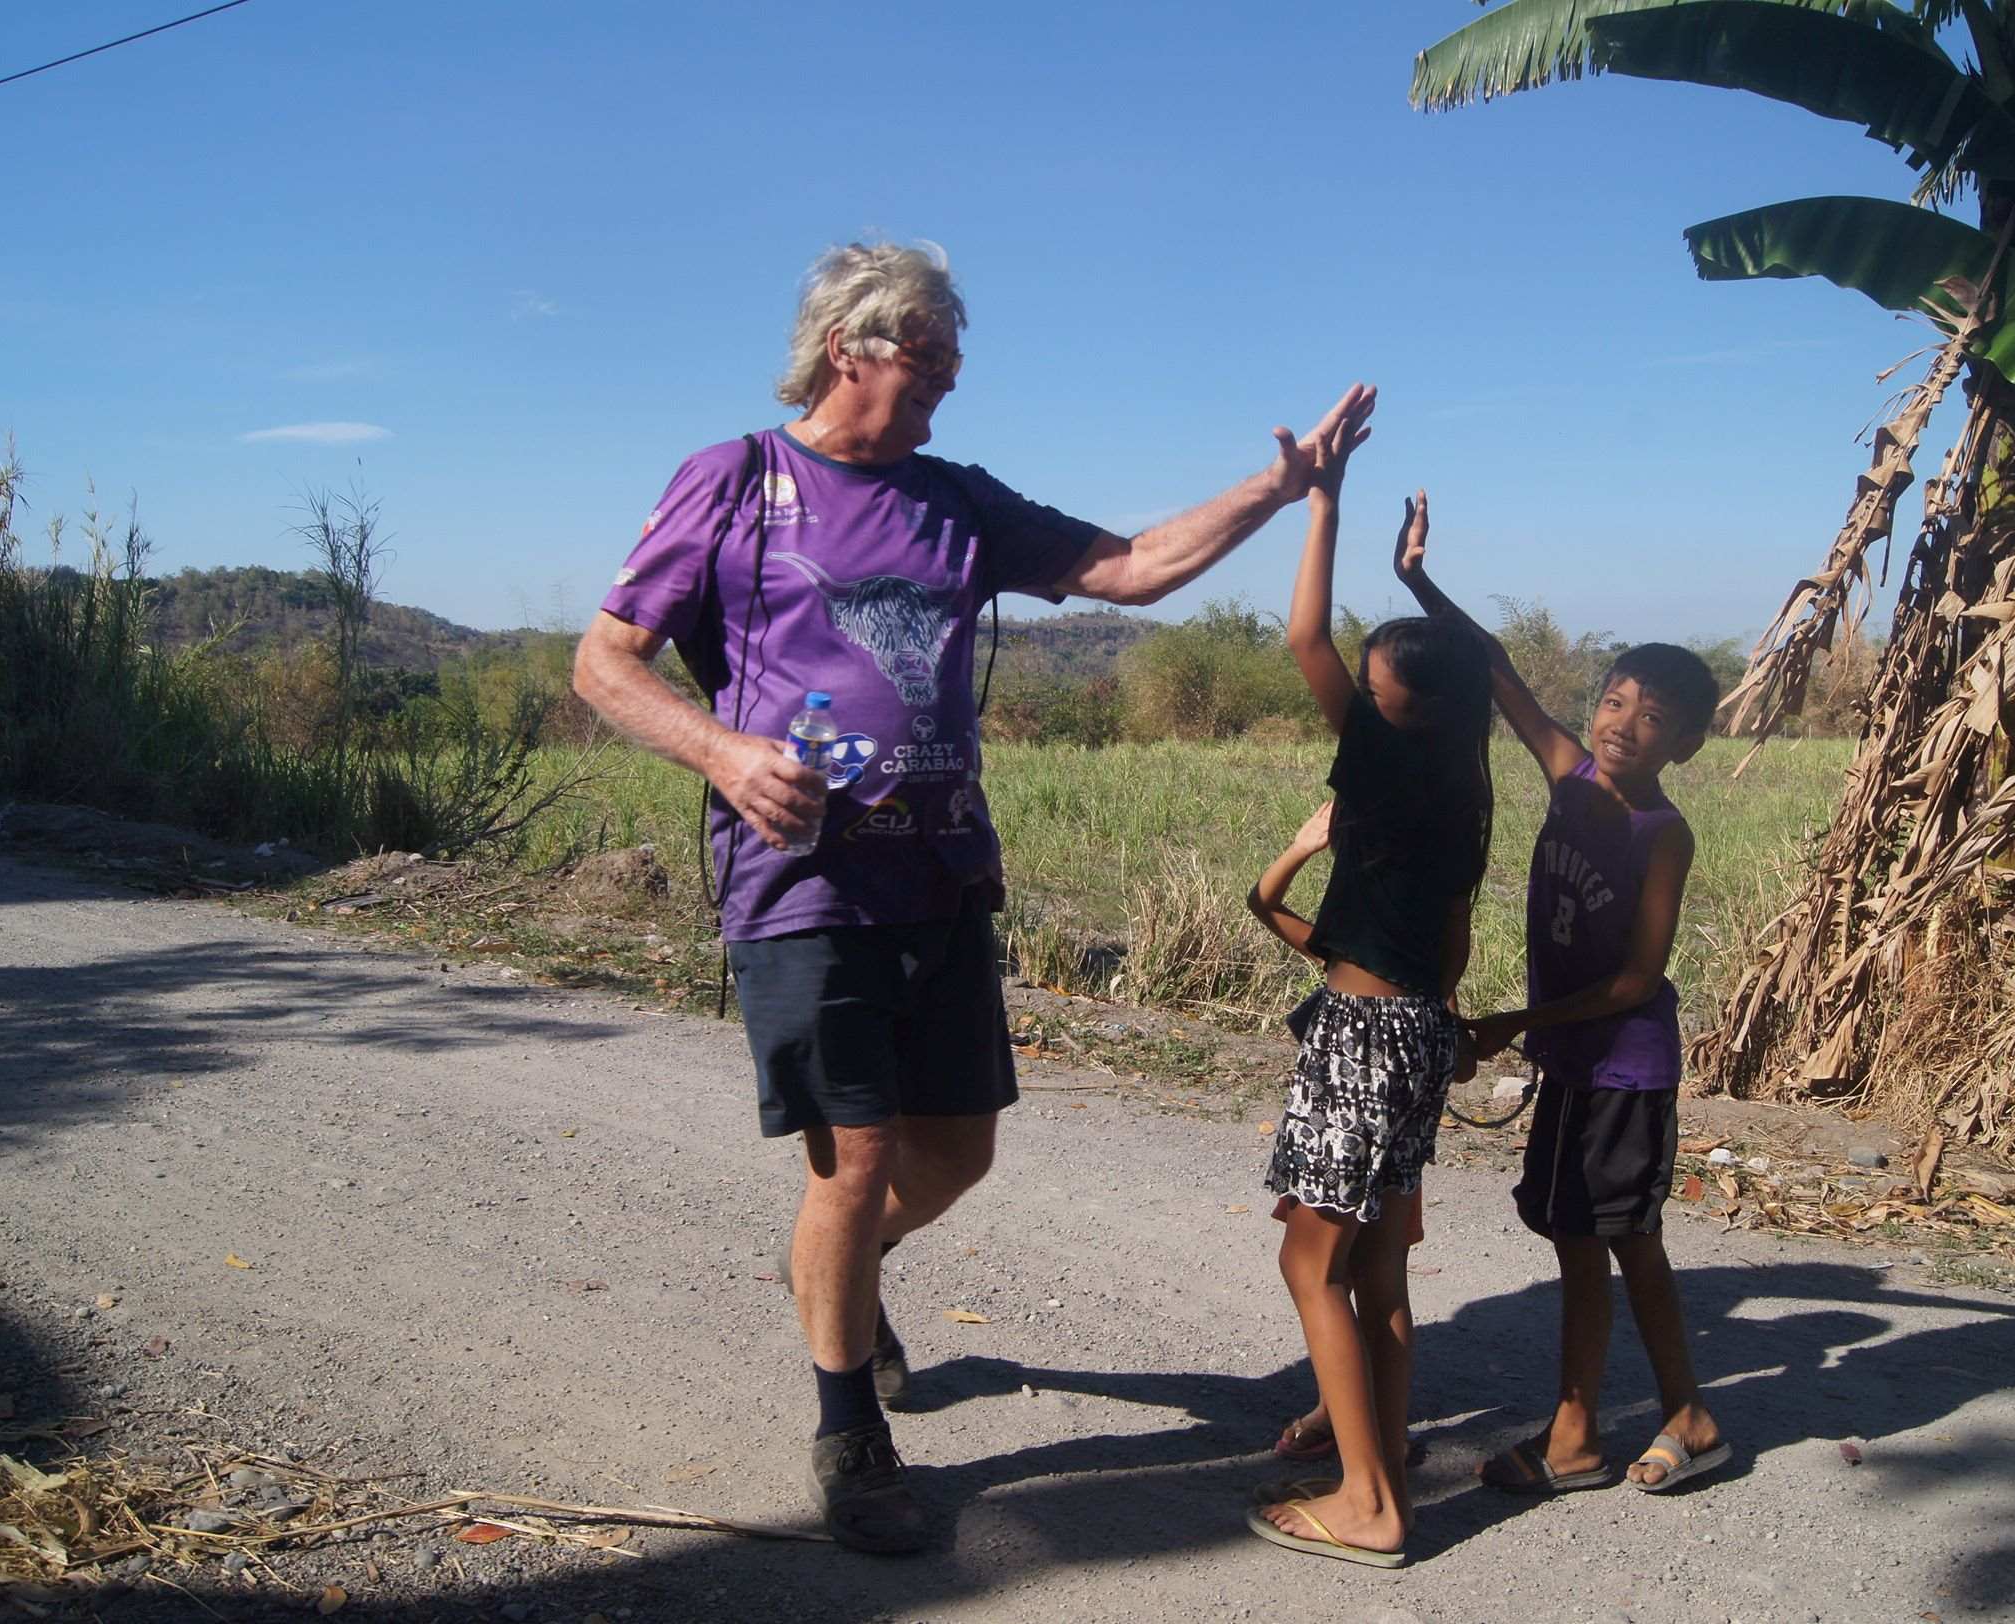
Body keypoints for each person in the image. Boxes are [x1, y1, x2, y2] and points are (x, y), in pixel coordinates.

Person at [572, 240, 1377, 1554]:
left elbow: (1133, 566)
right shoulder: (738, 479)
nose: (950, 377)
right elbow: (605, 662)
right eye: (929, 353)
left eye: (955, 356)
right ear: (849, 347)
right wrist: (722, 754)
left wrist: (1280, 489)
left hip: (943, 870)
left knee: (957, 1152)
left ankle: (838, 1271)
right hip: (804, 878)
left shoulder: (957, 499)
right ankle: (851, 1434)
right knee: (858, 1154)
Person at [1393, 490, 1732, 1499]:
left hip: (1624, 1067)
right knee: (1583, 1242)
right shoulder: (1568, 773)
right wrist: (1418, 580)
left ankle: (1662, 1420)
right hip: (1576, 1061)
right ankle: (1606, 1427)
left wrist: (1514, 1024)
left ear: (1686, 745)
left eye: (1653, 717)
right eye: (1616, 700)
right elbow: (1495, 663)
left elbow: (1637, 979)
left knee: (1621, 1242)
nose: (1624, 724)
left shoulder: (1662, 834)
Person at [1239, 444, 1492, 1569]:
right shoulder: (1465, 774)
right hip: (1422, 1028)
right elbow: (1455, 933)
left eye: (1379, 684)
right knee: (1379, 1269)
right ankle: (1380, 1461)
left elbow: (1304, 636)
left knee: (1311, 1265)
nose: (1364, 686)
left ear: (1407, 710)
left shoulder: (1386, 760)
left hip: (1363, 1038)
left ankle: (1369, 1505)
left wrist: (1321, 501)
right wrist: (1417, 582)